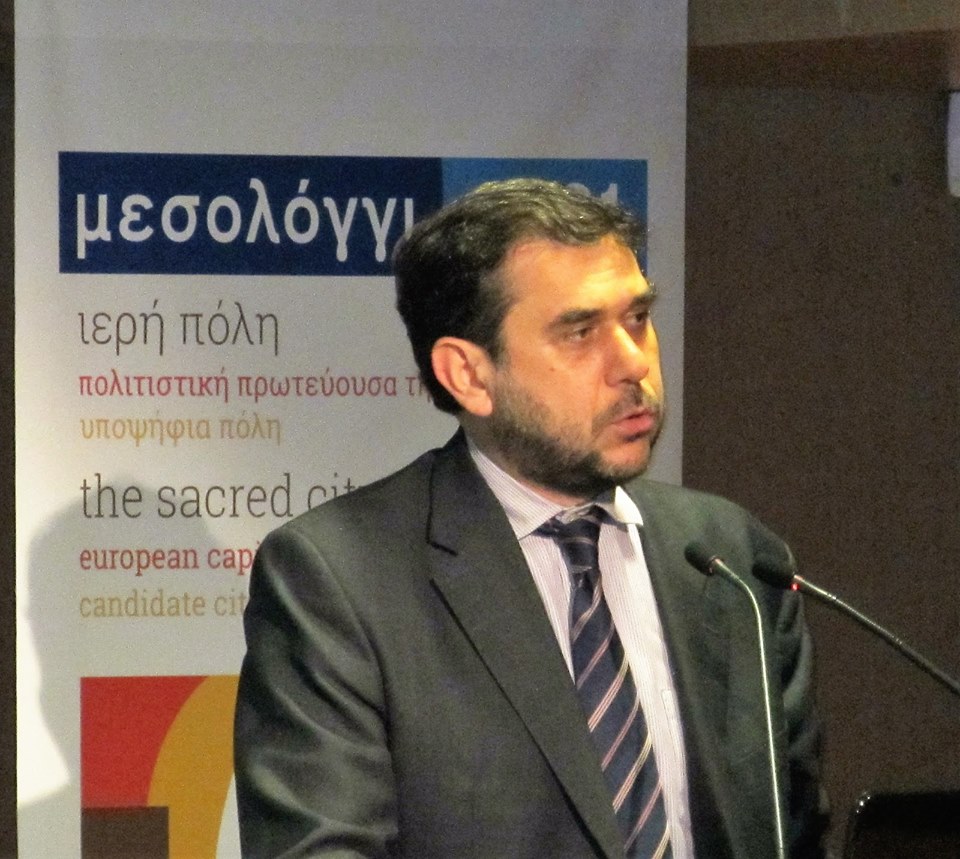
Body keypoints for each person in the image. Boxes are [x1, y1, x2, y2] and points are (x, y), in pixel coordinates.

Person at [234, 178, 829, 858]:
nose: (634, 362)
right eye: (579, 332)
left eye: (637, 317)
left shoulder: (734, 559)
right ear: (468, 375)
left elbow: (797, 829)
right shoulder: (339, 581)